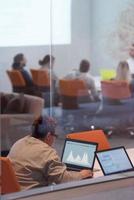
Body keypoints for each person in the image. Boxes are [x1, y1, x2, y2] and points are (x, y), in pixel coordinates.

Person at [8, 116, 93, 190]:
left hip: (12, 193)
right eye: (55, 135)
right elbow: (63, 180)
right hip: (32, 194)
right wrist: (82, 174)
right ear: (48, 136)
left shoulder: (19, 142)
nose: (54, 139)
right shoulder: (47, 152)